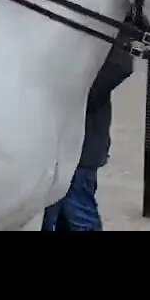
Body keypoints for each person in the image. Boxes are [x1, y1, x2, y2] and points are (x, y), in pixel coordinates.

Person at [41, 42, 133, 231]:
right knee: (54, 214)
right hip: (57, 141)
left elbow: (120, 66)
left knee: (78, 212)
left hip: (83, 141)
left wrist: (70, 97)